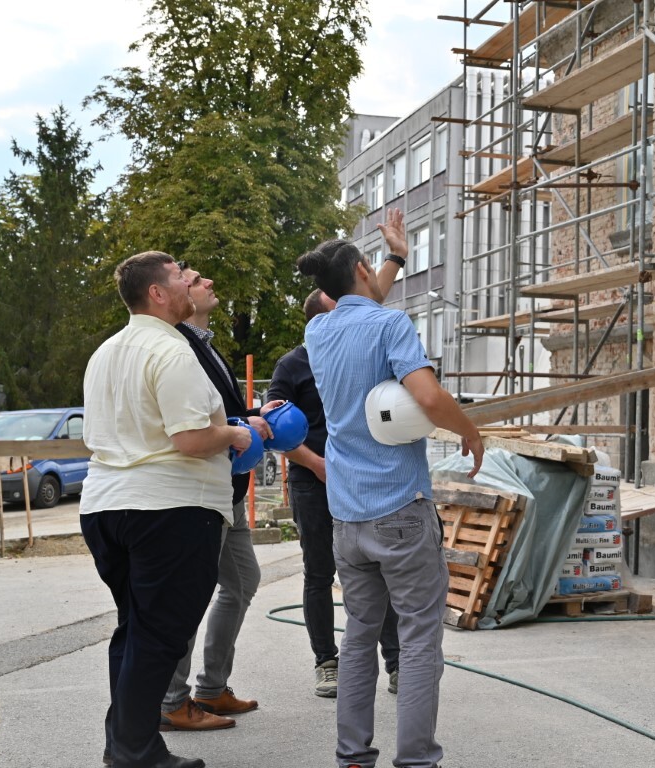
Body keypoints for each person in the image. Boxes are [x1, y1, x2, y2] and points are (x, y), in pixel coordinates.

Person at [297, 207, 484, 768]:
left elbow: (361, 301)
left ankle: (353, 755)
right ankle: (417, 760)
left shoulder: (318, 329)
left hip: (347, 516)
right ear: (359, 269)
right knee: (421, 640)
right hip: (400, 508)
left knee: (357, 640)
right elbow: (427, 398)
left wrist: (395, 258)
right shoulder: (390, 325)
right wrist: (470, 431)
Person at [80, 251, 254, 768]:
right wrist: (238, 432)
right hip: (170, 508)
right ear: (157, 292)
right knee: (158, 638)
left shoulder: (106, 351)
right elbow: (190, 438)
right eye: (180, 275)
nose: (189, 282)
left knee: (135, 631)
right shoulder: (173, 351)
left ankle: (127, 744)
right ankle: (135, 752)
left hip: (106, 506)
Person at [158, 262, 277, 731]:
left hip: (227, 489)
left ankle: (210, 689)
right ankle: (171, 700)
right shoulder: (176, 346)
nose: (208, 282)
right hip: (199, 491)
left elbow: (218, 413)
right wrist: (241, 424)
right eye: (195, 278)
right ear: (175, 293)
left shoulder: (206, 347)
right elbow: (190, 427)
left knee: (243, 581)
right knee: (190, 592)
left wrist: (252, 414)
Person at [266, 288, 401, 699]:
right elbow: (274, 427)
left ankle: (396, 663)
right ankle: (327, 663)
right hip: (313, 482)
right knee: (320, 573)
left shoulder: (350, 357)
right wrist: (315, 464)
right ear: (319, 319)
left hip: (360, 479)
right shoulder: (291, 366)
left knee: (379, 569)